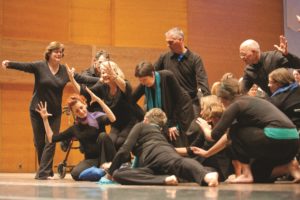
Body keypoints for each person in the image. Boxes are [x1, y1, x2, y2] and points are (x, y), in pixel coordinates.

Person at [1, 41, 98, 180]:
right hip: (37, 110)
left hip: (54, 112)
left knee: (51, 141)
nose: (59, 54)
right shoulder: (40, 66)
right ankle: (47, 170)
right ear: (49, 53)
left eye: (60, 52)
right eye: (56, 51)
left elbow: (83, 78)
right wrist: (9, 63)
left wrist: (100, 79)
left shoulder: (65, 71)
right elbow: (25, 66)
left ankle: (43, 173)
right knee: (39, 143)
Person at [191, 78, 300, 183]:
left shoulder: (235, 105)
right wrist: (207, 153)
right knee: (258, 174)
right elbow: (227, 138)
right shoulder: (253, 101)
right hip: (293, 140)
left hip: (275, 137)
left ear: (222, 98)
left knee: (235, 130)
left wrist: (205, 128)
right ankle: (289, 166)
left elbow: (214, 136)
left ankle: (246, 174)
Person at [106, 108, 219, 187]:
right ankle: (166, 179)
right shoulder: (160, 135)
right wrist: (190, 150)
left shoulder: (141, 125)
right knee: (119, 173)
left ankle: (206, 176)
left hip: (153, 158)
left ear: (146, 119)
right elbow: (171, 152)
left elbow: (124, 150)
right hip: (153, 166)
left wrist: (109, 173)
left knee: (116, 174)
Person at [36, 88, 116, 181]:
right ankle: (103, 173)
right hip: (91, 160)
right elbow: (51, 138)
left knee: (103, 135)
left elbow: (112, 118)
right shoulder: (75, 129)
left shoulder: (96, 116)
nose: (81, 112)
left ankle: (107, 168)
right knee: (75, 174)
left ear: (85, 104)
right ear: (74, 113)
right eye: (77, 111)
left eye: (81, 107)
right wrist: (45, 119)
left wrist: (98, 100)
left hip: (106, 157)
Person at [68, 60, 143, 151]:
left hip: (131, 121)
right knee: (110, 142)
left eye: (107, 72)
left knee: (120, 142)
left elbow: (126, 88)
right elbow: (84, 93)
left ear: (114, 72)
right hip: (116, 123)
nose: (104, 75)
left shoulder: (123, 84)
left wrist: (113, 75)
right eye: (102, 73)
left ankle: (124, 164)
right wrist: (72, 79)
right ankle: (113, 164)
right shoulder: (103, 86)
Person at [132, 61, 194, 147]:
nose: (142, 83)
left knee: (174, 137)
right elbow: (131, 99)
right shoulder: (144, 84)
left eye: (144, 80)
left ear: (152, 74)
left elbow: (179, 100)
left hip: (181, 111)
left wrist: (173, 124)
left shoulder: (167, 76)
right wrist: (143, 116)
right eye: (140, 80)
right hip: (166, 113)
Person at [154, 27, 210, 116]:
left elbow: (203, 82)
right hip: (170, 102)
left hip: (190, 101)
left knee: (195, 125)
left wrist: (207, 104)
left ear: (180, 40)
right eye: (167, 42)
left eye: (170, 42)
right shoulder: (164, 57)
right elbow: (152, 76)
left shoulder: (195, 58)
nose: (168, 45)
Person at [176, 95, 233, 182]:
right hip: (203, 164)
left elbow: (224, 145)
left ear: (211, 109)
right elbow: (193, 149)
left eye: (203, 109)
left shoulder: (227, 126)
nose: (201, 113)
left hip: (220, 169)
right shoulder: (207, 126)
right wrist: (170, 150)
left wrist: (207, 132)